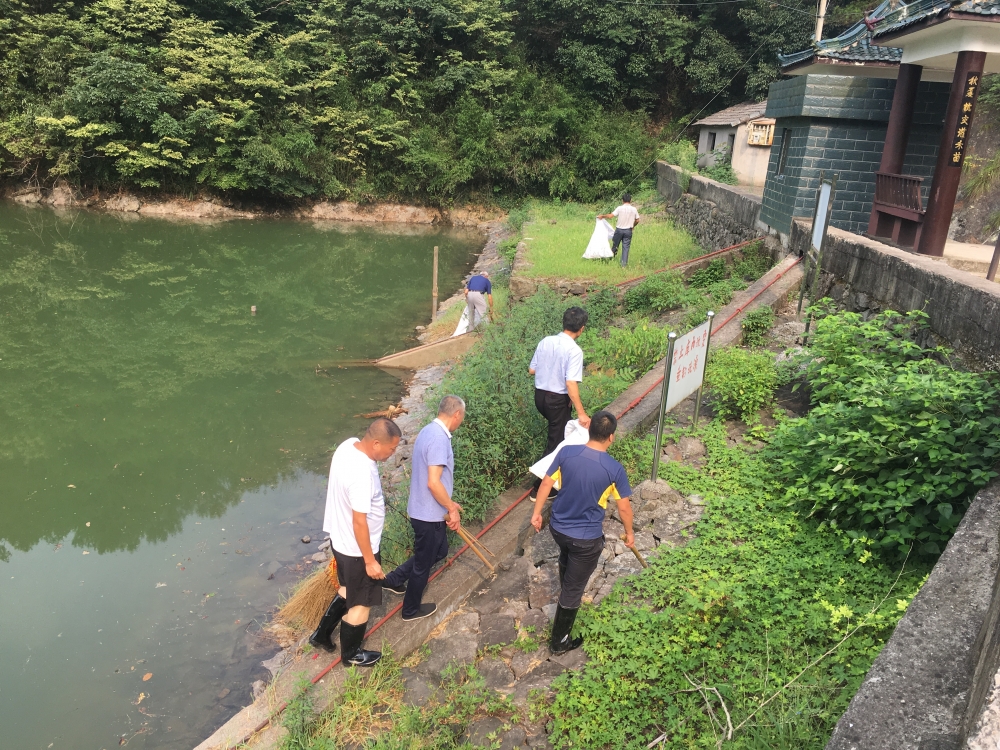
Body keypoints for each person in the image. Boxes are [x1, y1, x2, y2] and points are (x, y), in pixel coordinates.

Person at [530, 410, 634, 654]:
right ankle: (559, 642)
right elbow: (624, 508)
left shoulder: (566, 453)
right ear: (611, 437)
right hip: (585, 539)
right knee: (573, 591)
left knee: (567, 554)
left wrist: (536, 513)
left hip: (558, 528)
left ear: (590, 431)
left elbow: (546, 483)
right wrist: (629, 533)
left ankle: (568, 582)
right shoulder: (614, 470)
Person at [309, 417, 401, 667]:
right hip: (358, 550)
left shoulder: (348, 445)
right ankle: (351, 655)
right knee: (362, 602)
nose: (392, 454)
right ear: (376, 443)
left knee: (348, 589)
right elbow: (359, 522)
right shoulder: (362, 475)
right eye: (391, 449)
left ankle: (321, 635)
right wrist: (370, 561)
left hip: (340, 542)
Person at [382, 395, 465, 620]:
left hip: (422, 508)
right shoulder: (439, 438)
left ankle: (394, 579)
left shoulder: (428, 430)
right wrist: (451, 508)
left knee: (439, 551)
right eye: (462, 417)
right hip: (429, 513)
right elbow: (433, 482)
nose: (461, 421)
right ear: (456, 414)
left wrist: (448, 503)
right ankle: (410, 610)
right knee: (423, 563)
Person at [529, 307, 590, 461]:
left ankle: (558, 475)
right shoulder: (574, 350)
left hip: (540, 397)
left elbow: (532, 369)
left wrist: (551, 369)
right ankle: (542, 482)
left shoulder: (546, 341)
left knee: (558, 434)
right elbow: (570, 383)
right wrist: (581, 413)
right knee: (556, 444)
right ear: (581, 329)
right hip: (556, 401)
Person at [598, 194, 640, 267]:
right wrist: (633, 226)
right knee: (626, 248)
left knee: (615, 246)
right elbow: (637, 220)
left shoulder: (619, 208)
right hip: (628, 231)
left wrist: (602, 216)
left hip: (619, 230)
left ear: (622, 200)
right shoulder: (634, 209)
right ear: (630, 200)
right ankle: (623, 265)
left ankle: (610, 259)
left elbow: (611, 216)